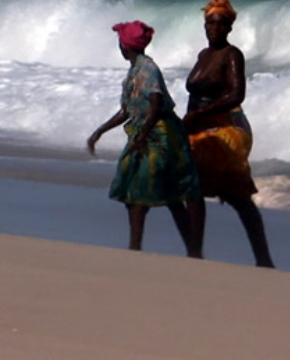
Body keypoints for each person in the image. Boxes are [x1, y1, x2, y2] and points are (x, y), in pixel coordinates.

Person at [87, 20, 203, 256]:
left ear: (124, 46)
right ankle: (156, 247)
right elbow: (127, 110)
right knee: (144, 193)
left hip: (161, 136)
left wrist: (144, 135)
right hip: (145, 133)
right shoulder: (133, 71)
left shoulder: (147, 69)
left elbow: (156, 102)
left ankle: (156, 248)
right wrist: (100, 131)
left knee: (154, 192)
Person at [184, 0, 275, 267]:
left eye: (220, 24)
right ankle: (195, 252)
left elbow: (237, 94)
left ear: (229, 28)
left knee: (236, 195)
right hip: (201, 129)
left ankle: (263, 259)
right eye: (209, 24)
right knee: (194, 189)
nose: (214, 28)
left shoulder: (231, 54)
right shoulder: (204, 55)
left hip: (226, 128)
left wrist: (200, 114)